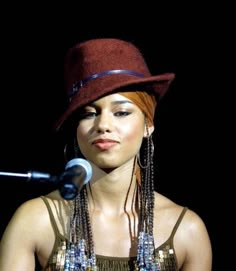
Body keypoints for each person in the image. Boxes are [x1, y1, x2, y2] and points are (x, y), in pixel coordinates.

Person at [0, 38, 212, 271]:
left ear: (148, 125)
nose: (103, 125)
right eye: (89, 113)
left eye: (121, 112)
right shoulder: (34, 220)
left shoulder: (186, 231)